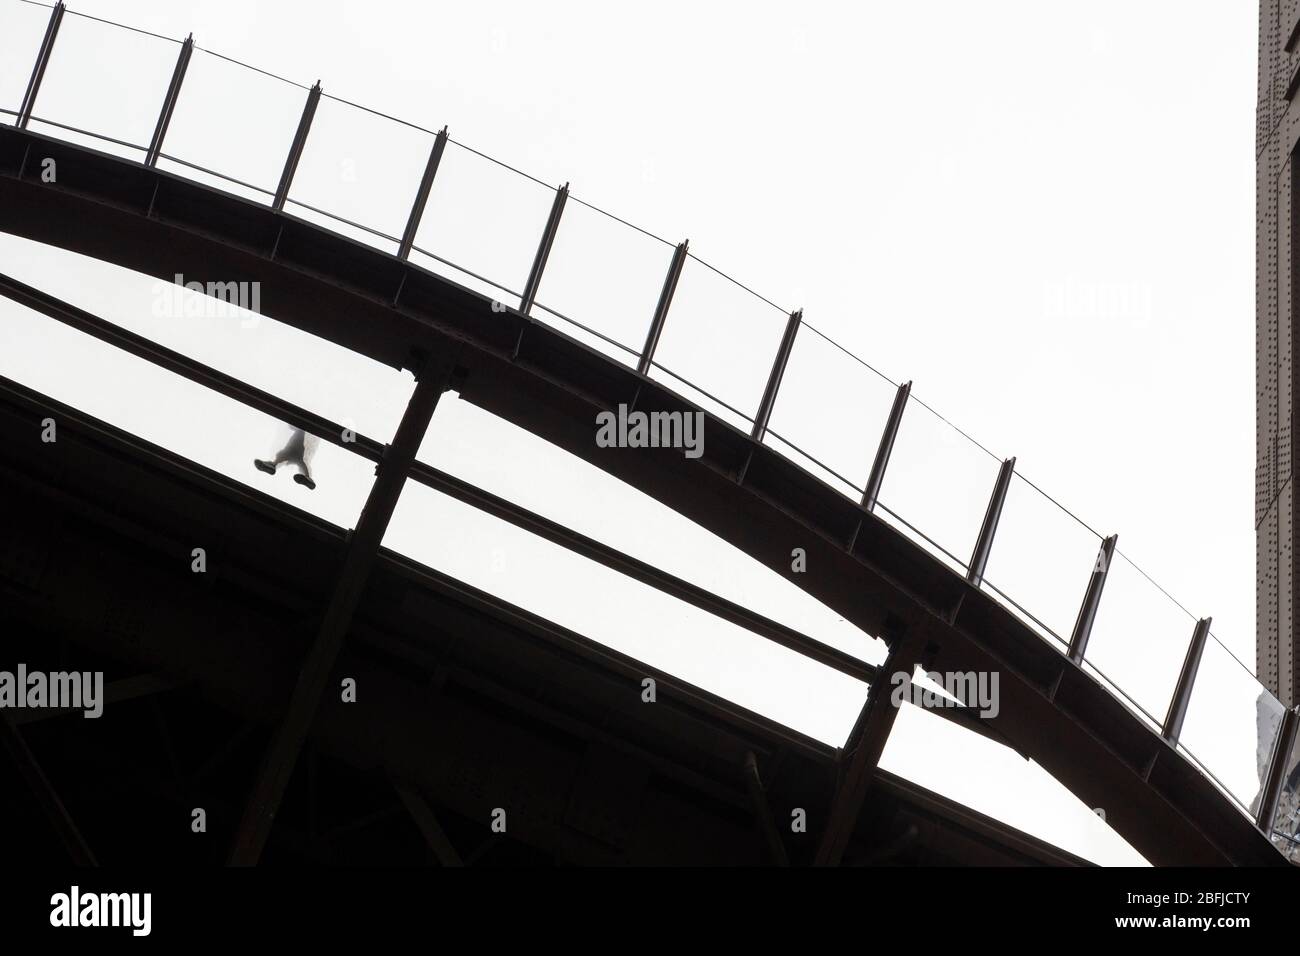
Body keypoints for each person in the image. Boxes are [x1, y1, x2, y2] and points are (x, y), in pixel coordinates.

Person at [254, 427, 319, 490]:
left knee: (282, 456)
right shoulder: (301, 432)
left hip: (292, 450)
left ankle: (272, 465)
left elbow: (293, 427)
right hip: (296, 451)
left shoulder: (301, 430)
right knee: (301, 462)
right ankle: (307, 478)